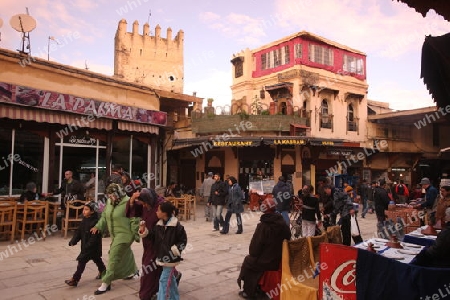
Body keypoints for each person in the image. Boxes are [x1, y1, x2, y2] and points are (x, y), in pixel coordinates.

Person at [236, 196, 291, 299]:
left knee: (249, 260)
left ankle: (249, 291)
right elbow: (288, 238)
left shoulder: (263, 226)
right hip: (279, 258)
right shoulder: (283, 223)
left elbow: (254, 250)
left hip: (267, 261)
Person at [91, 183, 140, 295]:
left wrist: (136, 233)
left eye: (113, 194)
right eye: (109, 195)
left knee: (114, 255)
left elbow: (135, 218)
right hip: (115, 234)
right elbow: (104, 216)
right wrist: (98, 226)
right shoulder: (109, 202)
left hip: (126, 234)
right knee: (125, 252)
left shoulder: (129, 202)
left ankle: (105, 283)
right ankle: (132, 271)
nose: (110, 197)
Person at [139, 201, 187, 300]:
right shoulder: (159, 225)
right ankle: (174, 298)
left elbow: (183, 241)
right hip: (161, 257)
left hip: (170, 259)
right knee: (171, 281)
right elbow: (152, 236)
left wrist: (174, 251)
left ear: (164, 213)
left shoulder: (177, 227)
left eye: (159, 210)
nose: (156, 212)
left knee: (163, 281)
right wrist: (144, 230)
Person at [127, 188, 164, 300]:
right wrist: (132, 200)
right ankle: (161, 287)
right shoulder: (146, 203)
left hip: (158, 242)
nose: (143, 205)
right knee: (157, 266)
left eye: (144, 203)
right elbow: (134, 210)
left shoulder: (161, 205)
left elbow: (168, 223)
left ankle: (145, 294)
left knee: (149, 267)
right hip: (147, 241)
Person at [65, 201, 106, 287]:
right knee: (97, 260)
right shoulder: (85, 220)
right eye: (83, 209)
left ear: (92, 211)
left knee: (81, 262)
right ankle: (103, 272)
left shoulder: (96, 222)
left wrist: (87, 247)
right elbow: (79, 232)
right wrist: (73, 241)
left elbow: (94, 238)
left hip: (92, 247)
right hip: (86, 246)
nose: (84, 211)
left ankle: (75, 279)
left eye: (86, 209)